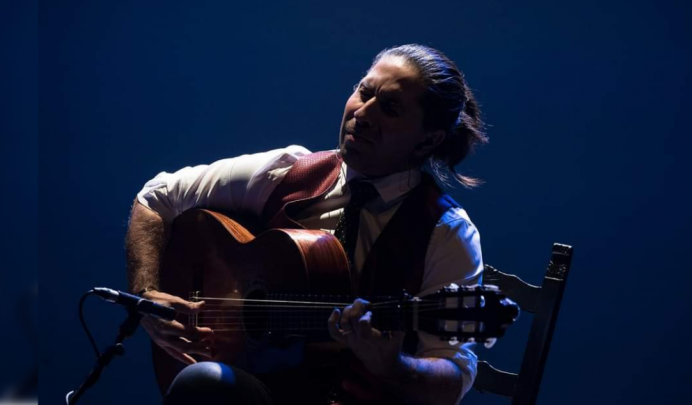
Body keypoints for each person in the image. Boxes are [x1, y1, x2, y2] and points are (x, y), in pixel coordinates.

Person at [125, 44, 488, 405]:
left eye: (390, 108)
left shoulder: (446, 231)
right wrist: (147, 293)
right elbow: (156, 197)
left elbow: (453, 376)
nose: (363, 113)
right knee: (205, 382)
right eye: (364, 92)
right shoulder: (288, 172)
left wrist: (394, 366)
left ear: (429, 139)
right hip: (258, 389)